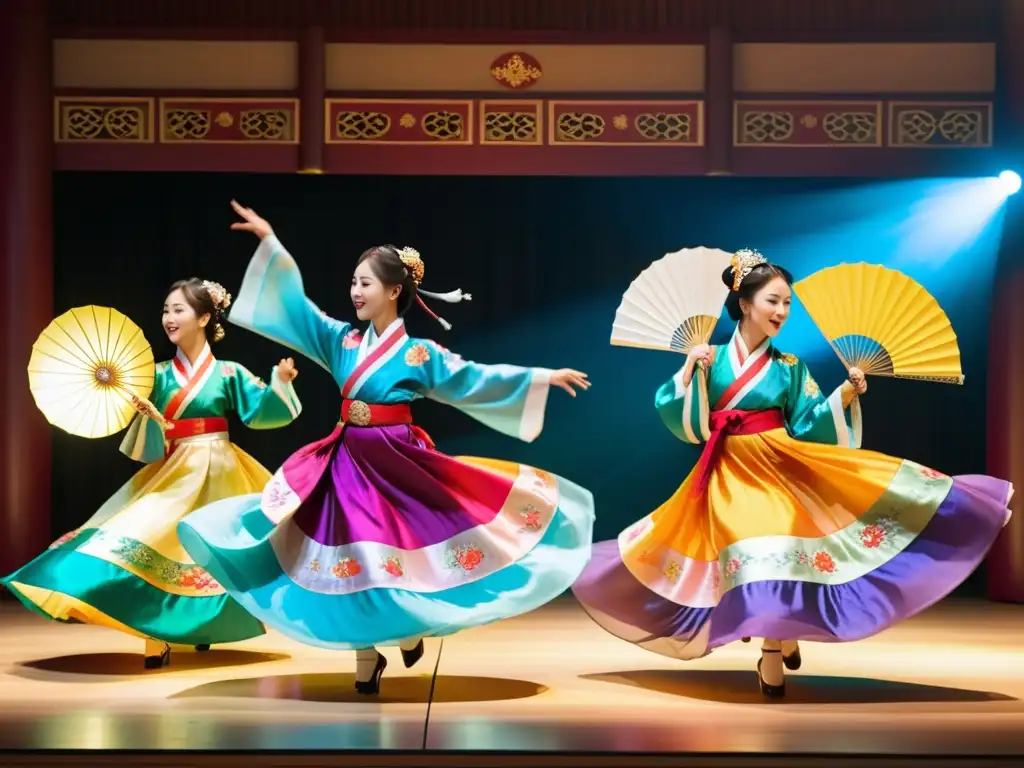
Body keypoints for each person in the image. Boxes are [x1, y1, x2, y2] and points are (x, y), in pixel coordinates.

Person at [176, 201, 595, 695]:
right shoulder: (340, 340)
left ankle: (408, 624)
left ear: (394, 291)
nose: (355, 291)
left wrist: (543, 377)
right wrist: (271, 243)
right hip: (347, 463)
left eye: (366, 283)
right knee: (356, 558)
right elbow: (299, 309)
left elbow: (472, 377)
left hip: (397, 463)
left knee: (397, 555)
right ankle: (365, 658)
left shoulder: (420, 354)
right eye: (353, 282)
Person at [571, 248, 1014, 697]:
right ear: (744, 304)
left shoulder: (789, 366)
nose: (782, 311)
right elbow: (685, 419)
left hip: (782, 466)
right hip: (729, 470)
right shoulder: (712, 358)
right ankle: (776, 639)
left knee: (778, 546)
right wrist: (689, 369)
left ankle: (772, 643)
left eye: (787, 303)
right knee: (755, 553)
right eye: (772, 301)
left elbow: (808, 424)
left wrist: (843, 393)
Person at [2, 279, 302, 669]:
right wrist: (148, 418)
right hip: (175, 472)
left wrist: (280, 383)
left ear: (205, 317)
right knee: (149, 538)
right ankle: (154, 633)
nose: (169, 318)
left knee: (220, 550)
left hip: (221, 470)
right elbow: (145, 449)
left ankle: (203, 627)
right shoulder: (155, 376)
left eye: (178, 310)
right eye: (165, 310)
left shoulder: (227, 373)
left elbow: (260, 412)